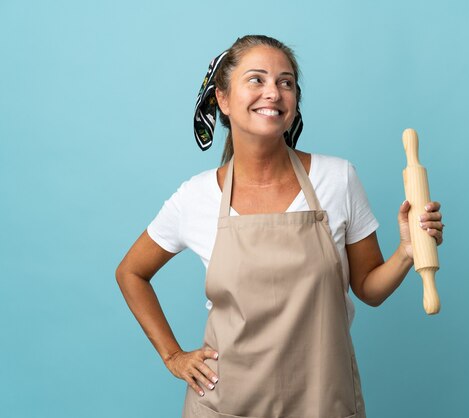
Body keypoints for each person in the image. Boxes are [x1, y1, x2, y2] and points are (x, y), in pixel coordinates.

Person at [116, 34, 444, 418]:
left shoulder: (337, 178)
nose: (273, 92)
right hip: (225, 406)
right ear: (221, 99)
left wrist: (407, 251)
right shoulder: (197, 196)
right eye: (256, 80)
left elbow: (368, 289)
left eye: (285, 82)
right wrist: (172, 356)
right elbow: (131, 272)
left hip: (324, 403)